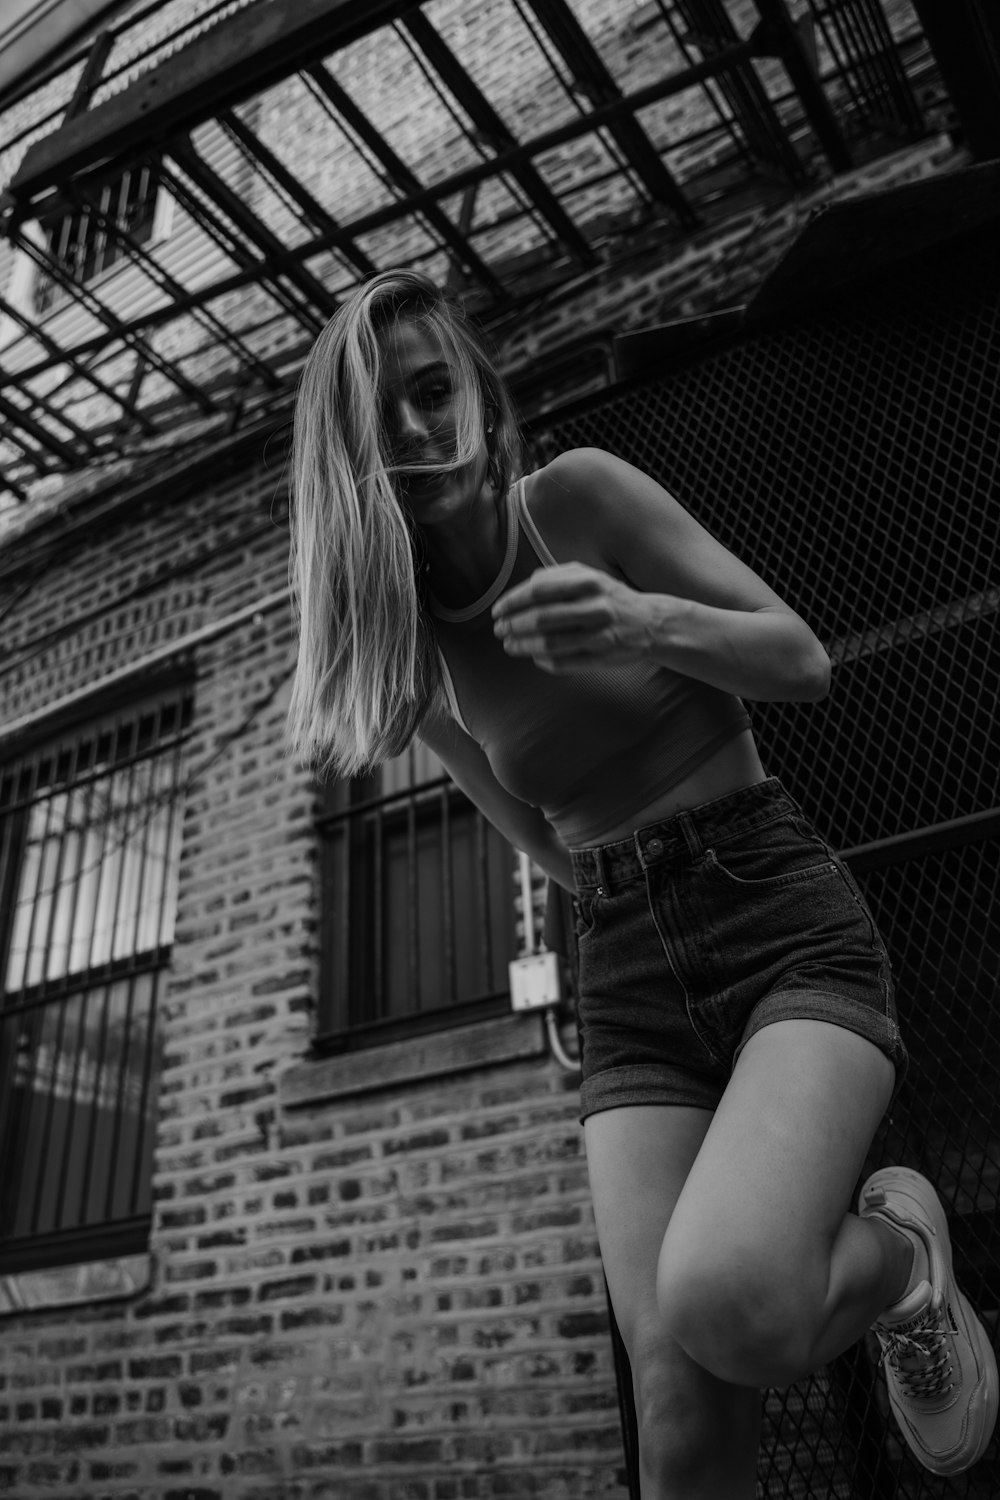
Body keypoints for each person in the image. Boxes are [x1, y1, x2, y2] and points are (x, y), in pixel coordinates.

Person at [286, 269, 997, 1498]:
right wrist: (626, 905)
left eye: (429, 389)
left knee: (733, 1299)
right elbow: (549, 845)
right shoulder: (418, 666)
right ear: (347, 460)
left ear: (472, 390)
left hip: (772, 912)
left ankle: (899, 1262)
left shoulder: (578, 500)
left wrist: (641, 622)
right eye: (378, 417)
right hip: (624, 966)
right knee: (675, 1418)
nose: (414, 429)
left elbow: (801, 662)